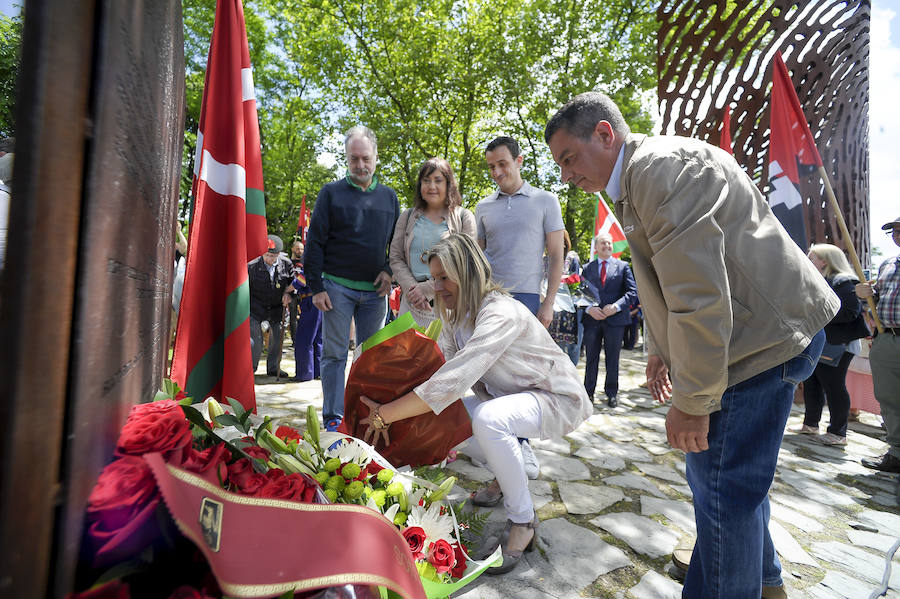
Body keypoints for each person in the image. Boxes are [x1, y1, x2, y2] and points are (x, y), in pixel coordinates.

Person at [545, 91, 837, 598]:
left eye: (569, 158)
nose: (567, 175)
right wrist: (661, 350)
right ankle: (765, 584)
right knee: (733, 489)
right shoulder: (639, 179)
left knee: (723, 492)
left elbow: (700, 296)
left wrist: (694, 401)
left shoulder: (659, 172)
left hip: (758, 346)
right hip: (755, 338)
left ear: (604, 134)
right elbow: (664, 279)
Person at [356, 234, 591, 575]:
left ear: (467, 272)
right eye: (433, 278)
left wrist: (386, 414)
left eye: (444, 277)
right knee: (444, 419)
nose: (436, 287)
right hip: (512, 400)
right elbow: (441, 372)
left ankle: (523, 520)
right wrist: (388, 393)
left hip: (557, 399)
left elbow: (454, 381)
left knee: (489, 419)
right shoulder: (456, 316)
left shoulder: (499, 312)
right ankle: (509, 474)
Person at [477, 136, 565, 479]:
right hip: (490, 300)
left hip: (528, 298)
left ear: (519, 160)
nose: (497, 172)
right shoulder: (483, 208)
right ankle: (497, 438)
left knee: (524, 375)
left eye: (503, 164)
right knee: (491, 375)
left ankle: (523, 444)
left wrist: (548, 303)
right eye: (492, 167)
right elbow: (477, 260)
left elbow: (556, 255)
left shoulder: (546, 200)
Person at [305, 126, 400, 431]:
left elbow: (397, 244)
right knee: (334, 354)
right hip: (336, 287)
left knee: (371, 358)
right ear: (346, 158)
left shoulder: (389, 197)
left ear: (376, 157)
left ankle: (366, 416)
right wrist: (316, 287)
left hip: (376, 292)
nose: (360, 165)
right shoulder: (330, 193)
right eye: (353, 158)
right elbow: (315, 242)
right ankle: (333, 418)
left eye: (365, 158)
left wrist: (390, 271)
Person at [789, 244, 865, 446]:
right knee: (812, 383)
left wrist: (815, 313)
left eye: (812, 257)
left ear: (825, 261)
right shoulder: (820, 280)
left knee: (834, 386)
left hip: (839, 345)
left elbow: (850, 311)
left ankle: (838, 432)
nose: (808, 259)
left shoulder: (844, 282)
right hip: (821, 342)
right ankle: (811, 424)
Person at [389, 157, 475, 327]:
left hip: (449, 304)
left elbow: (466, 262)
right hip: (412, 303)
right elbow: (395, 257)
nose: (432, 186)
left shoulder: (464, 217)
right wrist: (414, 289)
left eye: (438, 180)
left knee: (447, 353)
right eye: (426, 181)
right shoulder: (407, 216)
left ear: (448, 184)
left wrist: (428, 289)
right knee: (408, 353)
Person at [857, 215, 900, 472]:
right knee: (889, 398)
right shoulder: (887, 265)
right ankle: (897, 453)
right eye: (893, 231)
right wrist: (868, 294)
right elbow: (877, 300)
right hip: (887, 339)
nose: (896, 234)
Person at [579, 232, 637, 408]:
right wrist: (589, 309)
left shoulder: (623, 266)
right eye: (603, 244)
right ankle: (588, 392)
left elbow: (632, 292)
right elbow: (579, 293)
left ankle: (611, 393)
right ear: (596, 248)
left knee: (613, 359)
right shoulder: (587, 268)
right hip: (593, 321)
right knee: (591, 358)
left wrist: (616, 307)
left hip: (615, 321)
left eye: (609, 244)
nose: (607, 246)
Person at [248, 235, 294, 378]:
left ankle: (273, 368)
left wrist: (289, 295)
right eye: (267, 255)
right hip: (256, 307)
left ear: (279, 254)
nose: (269, 259)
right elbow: (245, 290)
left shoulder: (286, 264)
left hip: (277, 308)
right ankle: (251, 368)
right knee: (255, 340)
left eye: (273, 256)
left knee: (277, 337)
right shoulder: (252, 266)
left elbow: (293, 284)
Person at [289, 243, 322, 382]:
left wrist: (287, 290)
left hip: (310, 302)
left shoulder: (311, 263)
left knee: (304, 339)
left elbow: (300, 281)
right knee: (318, 339)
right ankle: (317, 371)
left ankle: (304, 374)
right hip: (322, 301)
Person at [547, 230, 582, 364]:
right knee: (552, 348)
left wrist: (564, 281)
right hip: (549, 308)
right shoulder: (545, 259)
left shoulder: (572, 258)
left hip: (568, 312)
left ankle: (571, 376)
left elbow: (577, 280)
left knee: (571, 349)